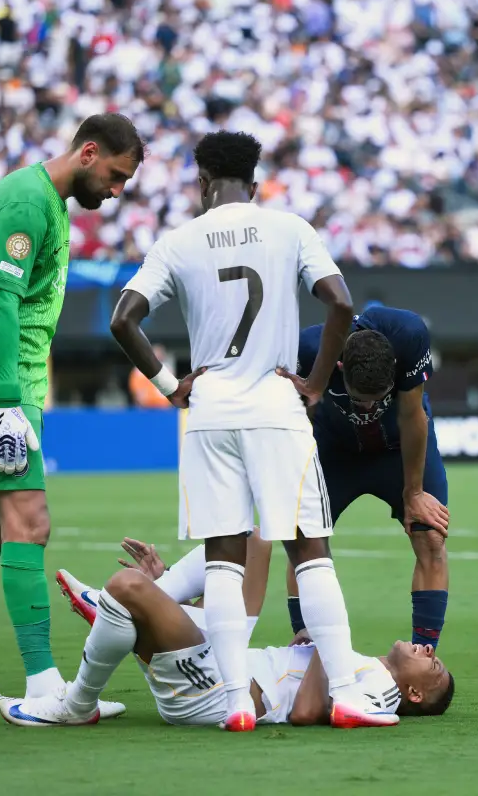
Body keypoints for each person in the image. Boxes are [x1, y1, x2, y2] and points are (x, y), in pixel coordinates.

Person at [108, 130, 394, 731]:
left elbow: (124, 319)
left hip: (210, 410)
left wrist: (170, 385)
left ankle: (237, 703)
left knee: (223, 562)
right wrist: (315, 384)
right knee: (309, 552)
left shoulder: (179, 240)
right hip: (274, 406)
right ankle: (345, 692)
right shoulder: (289, 227)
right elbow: (340, 304)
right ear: (255, 183)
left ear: (203, 184)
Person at [0, 113, 145, 713]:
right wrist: (6, 404)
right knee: (31, 523)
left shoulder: (44, 199)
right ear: (89, 152)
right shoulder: (27, 201)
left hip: (2, 388)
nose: (116, 190)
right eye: (116, 176)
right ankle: (46, 687)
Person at [3, 563, 454, 728]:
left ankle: (78, 702)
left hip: (215, 694)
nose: (429, 653)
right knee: (247, 537)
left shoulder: (386, 694)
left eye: (433, 669)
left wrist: (322, 642)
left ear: (414, 694)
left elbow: (305, 713)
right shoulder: (365, 666)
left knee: (126, 587)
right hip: (226, 665)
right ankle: (144, 605)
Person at [253, 306, 451, 649]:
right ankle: (306, 646)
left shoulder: (409, 334)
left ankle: (423, 656)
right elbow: (288, 419)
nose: (368, 410)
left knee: (431, 537)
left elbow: (413, 416)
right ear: (340, 367)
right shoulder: (306, 351)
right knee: (302, 538)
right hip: (334, 451)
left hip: (398, 450)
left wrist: (414, 492)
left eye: (376, 401)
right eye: (359, 401)